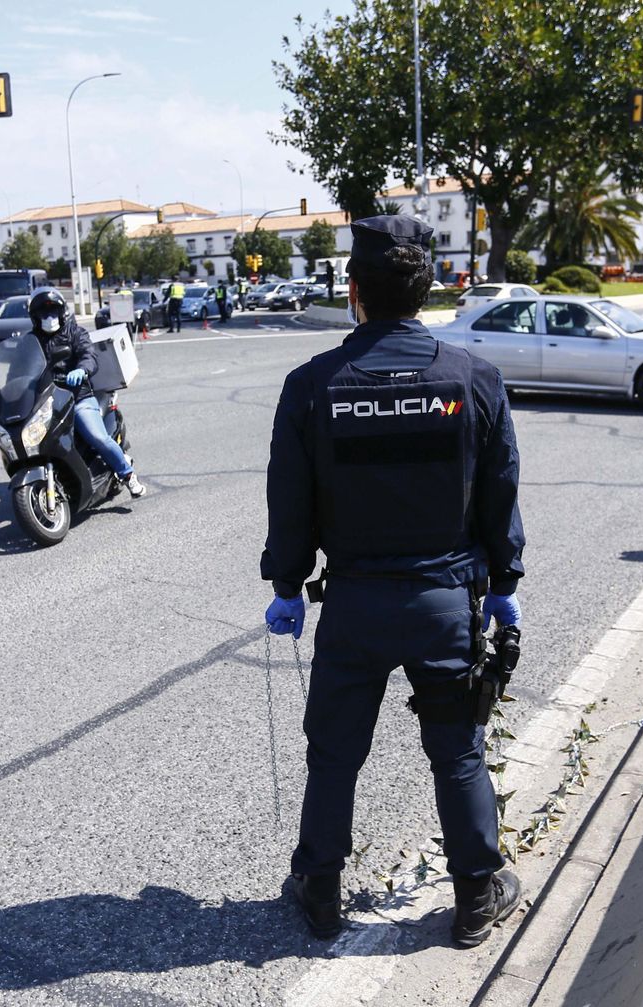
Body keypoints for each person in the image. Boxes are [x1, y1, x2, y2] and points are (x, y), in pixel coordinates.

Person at [261, 214, 525, 948]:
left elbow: (291, 500)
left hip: (353, 605)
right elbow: (500, 490)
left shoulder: (312, 384)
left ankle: (318, 889)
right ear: (426, 292)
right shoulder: (474, 378)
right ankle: (476, 892)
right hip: (445, 603)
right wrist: (504, 580)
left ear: (354, 293)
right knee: (458, 749)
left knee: (335, 753)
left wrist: (288, 584)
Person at [28, 289, 145, 498]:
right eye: (43, 313)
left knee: (96, 437)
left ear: (62, 312)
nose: (49, 317)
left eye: (53, 311)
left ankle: (127, 474)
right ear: (35, 316)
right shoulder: (32, 340)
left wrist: (81, 370)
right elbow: (20, 366)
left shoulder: (75, 333)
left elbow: (88, 355)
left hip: (78, 397)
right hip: (48, 402)